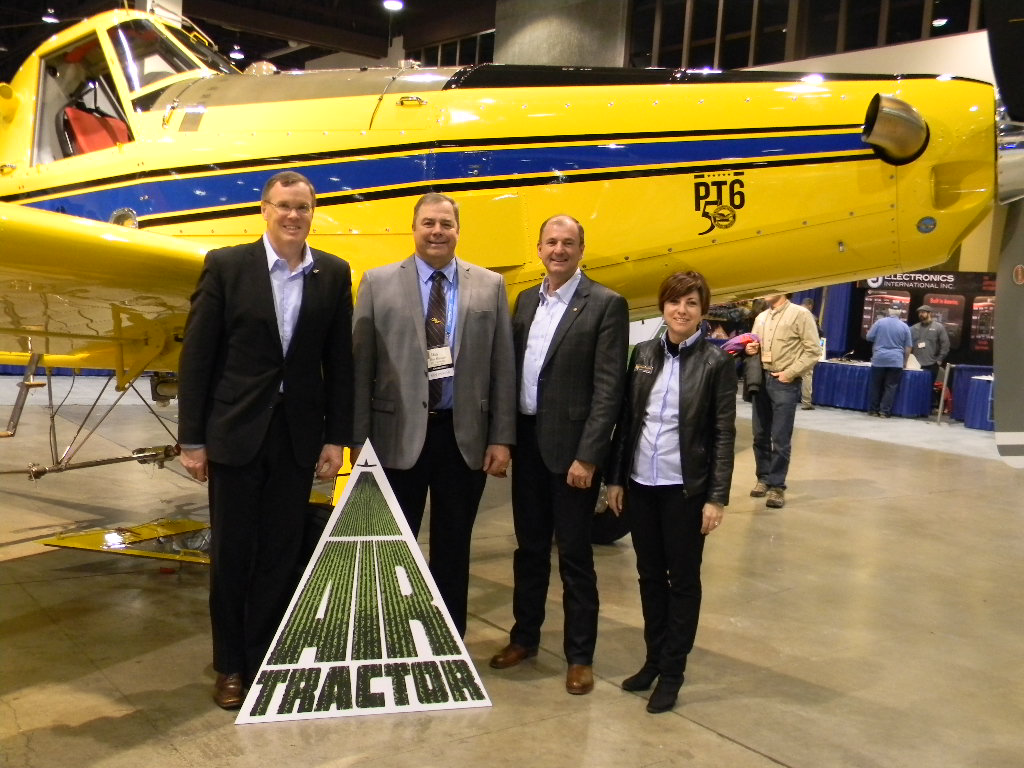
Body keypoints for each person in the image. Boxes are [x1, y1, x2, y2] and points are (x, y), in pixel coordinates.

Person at [177, 171, 354, 710]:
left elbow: (339, 364)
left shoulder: (333, 273)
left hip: (297, 438)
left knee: (280, 551)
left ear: (312, 211)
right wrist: (192, 439)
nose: (293, 216)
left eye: (302, 207)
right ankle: (230, 664)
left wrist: (336, 439)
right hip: (235, 434)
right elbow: (198, 358)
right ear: (264, 209)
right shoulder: (228, 267)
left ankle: (262, 656)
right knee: (233, 553)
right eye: (283, 206)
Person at [351, 192, 515, 637]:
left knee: (453, 547)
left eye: (446, 223)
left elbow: (503, 369)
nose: (437, 231)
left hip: (463, 439)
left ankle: (447, 638)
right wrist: (358, 444)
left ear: (458, 230)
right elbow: (359, 366)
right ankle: (389, 633)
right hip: (395, 437)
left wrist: (501, 438)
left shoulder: (489, 285)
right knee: (392, 546)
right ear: (414, 227)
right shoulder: (377, 282)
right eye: (429, 223)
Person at [488, 215, 628, 696]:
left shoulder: (606, 304)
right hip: (526, 446)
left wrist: (589, 456)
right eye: (552, 241)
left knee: (574, 558)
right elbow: (510, 376)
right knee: (528, 552)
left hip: (571, 456)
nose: (559, 249)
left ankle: (580, 656)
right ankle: (524, 638)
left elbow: (609, 390)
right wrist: (503, 439)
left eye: (569, 242)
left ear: (582, 248)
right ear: (540, 248)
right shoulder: (526, 300)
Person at [606, 271, 736, 714]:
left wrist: (716, 497)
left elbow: (723, 433)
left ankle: (673, 672)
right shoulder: (642, 354)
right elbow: (627, 423)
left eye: (692, 303)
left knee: (682, 581)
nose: (682, 310)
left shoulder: (716, 363)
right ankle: (652, 660)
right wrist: (616, 478)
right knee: (647, 577)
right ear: (663, 306)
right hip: (641, 485)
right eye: (675, 302)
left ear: (703, 311)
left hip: (685, 491)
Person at [745, 293, 819, 509]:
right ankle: (763, 478)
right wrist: (750, 349)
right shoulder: (760, 318)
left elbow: (813, 351)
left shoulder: (801, 314)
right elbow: (753, 345)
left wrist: (790, 372)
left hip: (784, 382)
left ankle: (777, 486)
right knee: (759, 434)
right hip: (761, 378)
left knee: (780, 438)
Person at [866, 306, 912, 418]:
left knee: (876, 385)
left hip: (879, 359)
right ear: (900, 313)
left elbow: (869, 337)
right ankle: (884, 412)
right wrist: (904, 362)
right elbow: (908, 347)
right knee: (890, 387)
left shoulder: (879, 323)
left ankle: (873, 410)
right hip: (896, 361)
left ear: (889, 311)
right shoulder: (905, 327)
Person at [910, 304, 950, 385]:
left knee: (929, 387)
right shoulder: (913, 328)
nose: (920, 314)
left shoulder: (938, 327)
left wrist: (939, 360)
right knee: (915, 386)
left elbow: (945, 345)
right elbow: (908, 345)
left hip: (932, 364)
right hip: (915, 364)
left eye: (923, 312)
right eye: (919, 313)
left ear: (930, 314)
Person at [799, 297, 822, 410]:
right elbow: (817, 333)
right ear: (810, 306)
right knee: (807, 375)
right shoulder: (812, 317)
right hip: (805, 350)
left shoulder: (792, 313)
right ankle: (806, 402)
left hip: (792, 350)